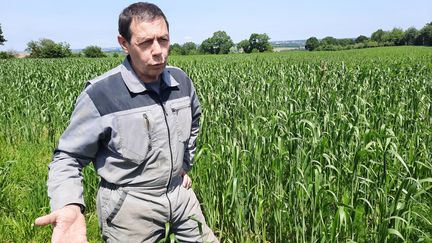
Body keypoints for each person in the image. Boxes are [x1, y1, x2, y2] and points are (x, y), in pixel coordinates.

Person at [35, 2, 219, 242]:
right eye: (145, 42)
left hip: (180, 195)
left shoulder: (180, 80)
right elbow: (68, 157)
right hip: (129, 207)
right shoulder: (101, 94)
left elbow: (194, 120)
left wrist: (184, 163)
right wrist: (69, 204)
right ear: (124, 44)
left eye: (163, 40)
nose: (158, 50)